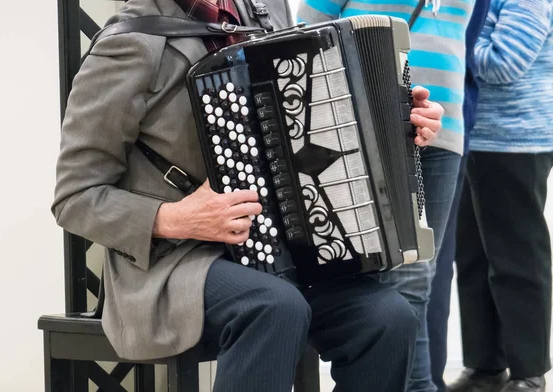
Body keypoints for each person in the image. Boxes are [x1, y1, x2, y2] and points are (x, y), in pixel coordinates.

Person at [51, 0, 444, 390]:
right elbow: (75, 196)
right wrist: (176, 218)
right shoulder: (130, 42)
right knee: (273, 306)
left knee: (387, 316)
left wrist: (398, 123)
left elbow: (304, 121)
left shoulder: (265, 8)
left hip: (284, 253)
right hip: (174, 266)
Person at [298, 1, 472, 391]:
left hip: (444, 129)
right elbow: (305, 36)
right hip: (362, 126)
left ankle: (418, 383)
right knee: (386, 276)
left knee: (418, 274)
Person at [448, 0, 553, 391]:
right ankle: (485, 366)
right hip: (472, 137)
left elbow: (503, 63)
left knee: (518, 259)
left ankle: (529, 372)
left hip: (516, 142)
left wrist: (452, 44)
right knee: (472, 256)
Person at [426, 1, 490, 390]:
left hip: (448, 128)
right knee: (426, 268)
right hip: (372, 124)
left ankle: (426, 380)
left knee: (431, 268)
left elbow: (469, 39)